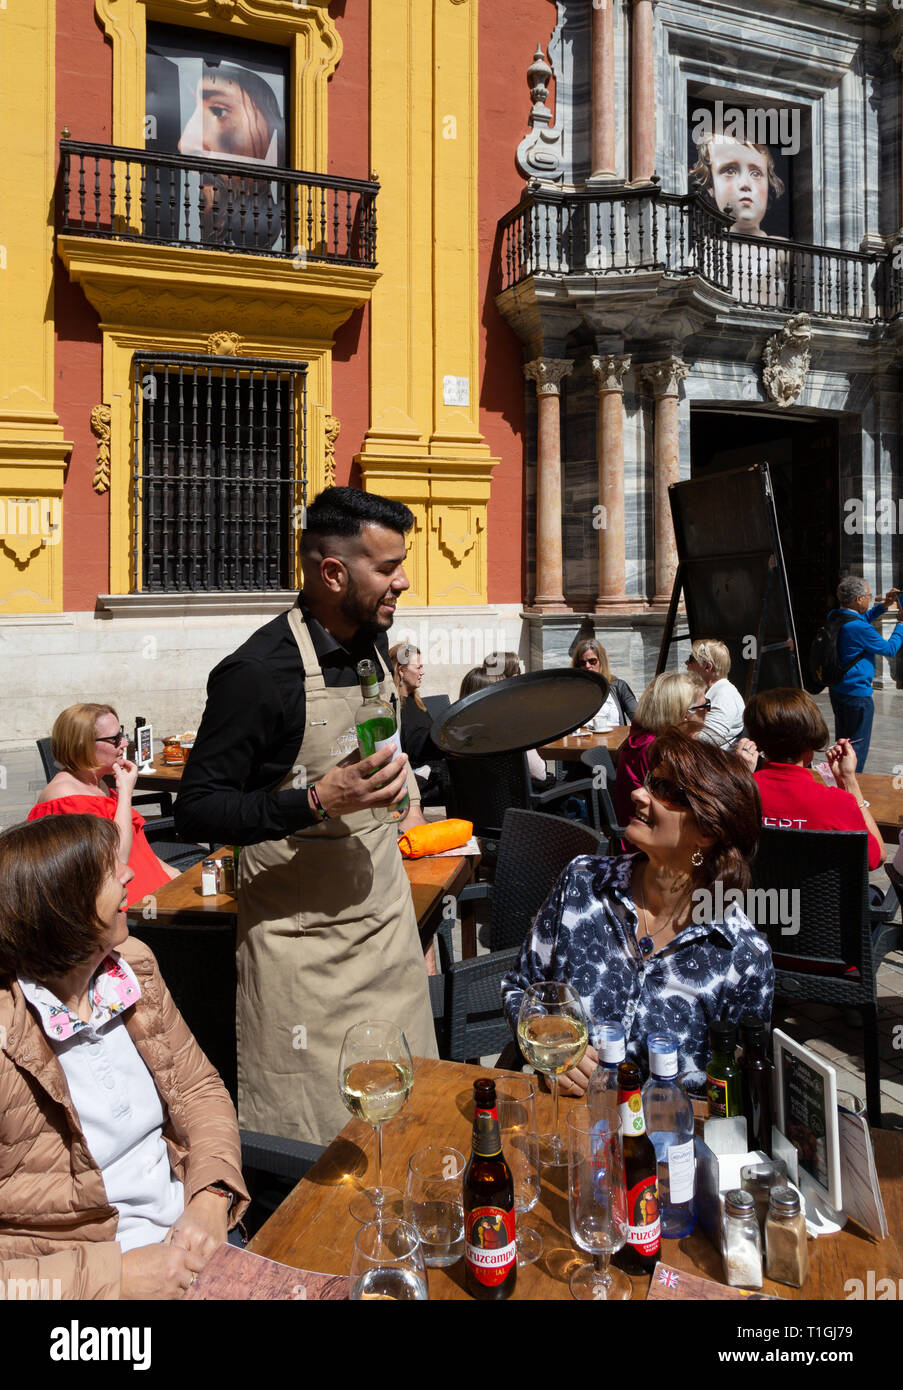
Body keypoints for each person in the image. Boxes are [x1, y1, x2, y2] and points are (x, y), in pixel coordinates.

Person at [174, 487, 437, 1147]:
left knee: (406, 1129)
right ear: (332, 573)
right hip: (302, 961)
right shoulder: (257, 674)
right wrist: (316, 799)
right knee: (320, 1152)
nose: (401, 580)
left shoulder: (375, 643)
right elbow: (197, 807)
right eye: (387, 567)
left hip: (385, 936)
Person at [0, 815, 248, 1299]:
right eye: (108, 870)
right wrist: (116, 1282)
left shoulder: (130, 967)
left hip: (197, 1247)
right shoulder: (8, 1038)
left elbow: (199, 1091)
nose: (129, 873)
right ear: (62, 910)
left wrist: (211, 1195)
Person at [502, 731, 773, 1095]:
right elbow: (520, 986)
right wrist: (544, 1037)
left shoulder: (741, 955)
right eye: (649, 781)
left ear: (707, 831)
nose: (637, 794)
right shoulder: (583, 883)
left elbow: (743, 1089)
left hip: (671, 1143)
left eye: (662, 789)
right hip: (566, 1122)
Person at [28, 704, 179, 908]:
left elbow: (137, 845)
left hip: (154, 896)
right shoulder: (64, 796)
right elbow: (116, 862)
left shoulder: (96, 783)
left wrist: (173, 874)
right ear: (84, 745)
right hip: (128, 914)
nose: (124, 743)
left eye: (122, 734)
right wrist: (126, 793)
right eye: (115, 739)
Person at [738, 687, 883, 870]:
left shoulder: (735, 796)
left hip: (754, 898)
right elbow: (875, 858)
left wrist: (741, 778)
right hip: (821, 897)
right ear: (811, 744)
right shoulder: (838, 802)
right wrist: (848, 781)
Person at [612, 671, 708, 831]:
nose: (708, 711)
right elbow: (697, 802)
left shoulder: (648, 738)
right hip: (651, 841)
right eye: (705, 706)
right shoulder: (658, 750)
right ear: (685, 714)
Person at [826, 577, 903, 772]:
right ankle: (853, 785)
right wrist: (900, 626)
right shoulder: (860, 628)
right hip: (857, 694)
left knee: (843, 742)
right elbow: (890, 649)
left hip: (838, 689)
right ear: (859, 599)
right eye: (868, 596)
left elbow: (861, 619)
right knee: (857, 747)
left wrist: (883, 605)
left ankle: (840, 780)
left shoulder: (835, 616)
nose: (870, 599)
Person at [389, 641, 446, 805]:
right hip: (419, 781)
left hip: (434, 771)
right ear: (401, 670)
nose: (422, 672)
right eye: (418, 667)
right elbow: (413, 747)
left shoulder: (416, 702)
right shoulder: (396, 706)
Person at [686, 639, 745, 749]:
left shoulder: (725, 694)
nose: (686, 663)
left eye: (691, 659)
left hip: (715, 761)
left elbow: (710, 738)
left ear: (708, 667)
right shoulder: (708, 690)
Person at [571, 638, 637, 728]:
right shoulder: (572, 689)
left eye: (592, 661)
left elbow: (638, 718)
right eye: (582, 662)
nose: (587, 666)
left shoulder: (618, 686)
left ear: (601, 661)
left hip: (615, 739)